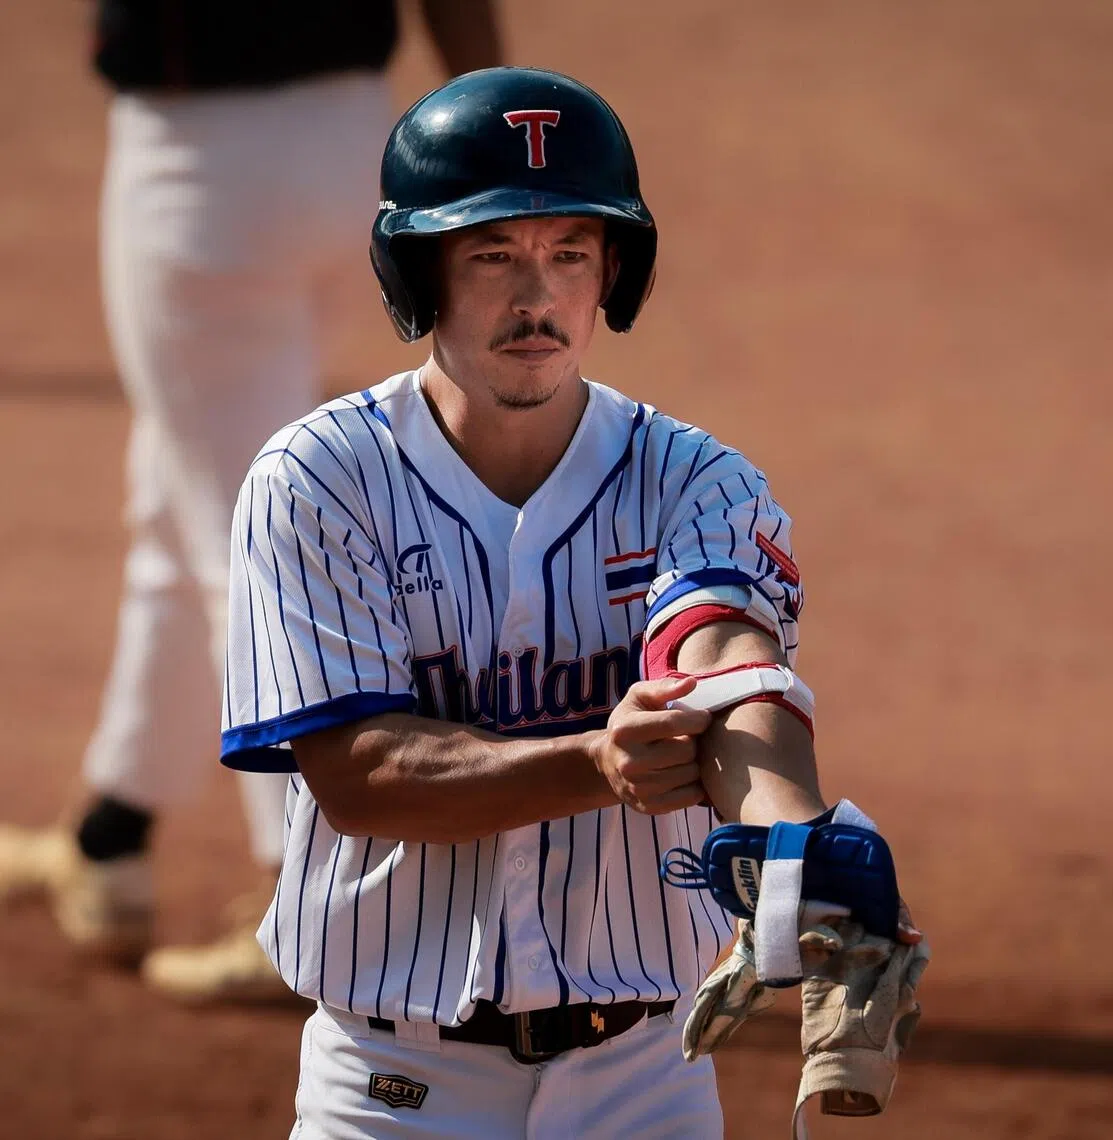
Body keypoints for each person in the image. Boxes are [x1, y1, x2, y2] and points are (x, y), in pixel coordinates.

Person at [221, 67, 924, 1137]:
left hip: (646, 1076)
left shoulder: (698, 481)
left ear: (613, 275)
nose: (535, 298)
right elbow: (360, 775)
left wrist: (794, 846)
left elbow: (726, 664)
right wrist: (597, 762)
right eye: (491, 254)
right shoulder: (319, 480)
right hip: (396, 1085)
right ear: (421, 274)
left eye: (569, 255)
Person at [0, 0, 502, 1003]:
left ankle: (312, 909)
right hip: (361, 148)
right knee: (181, 489)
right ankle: (114, 834)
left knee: (239, 542)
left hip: (200, 171)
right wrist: (485, 129)